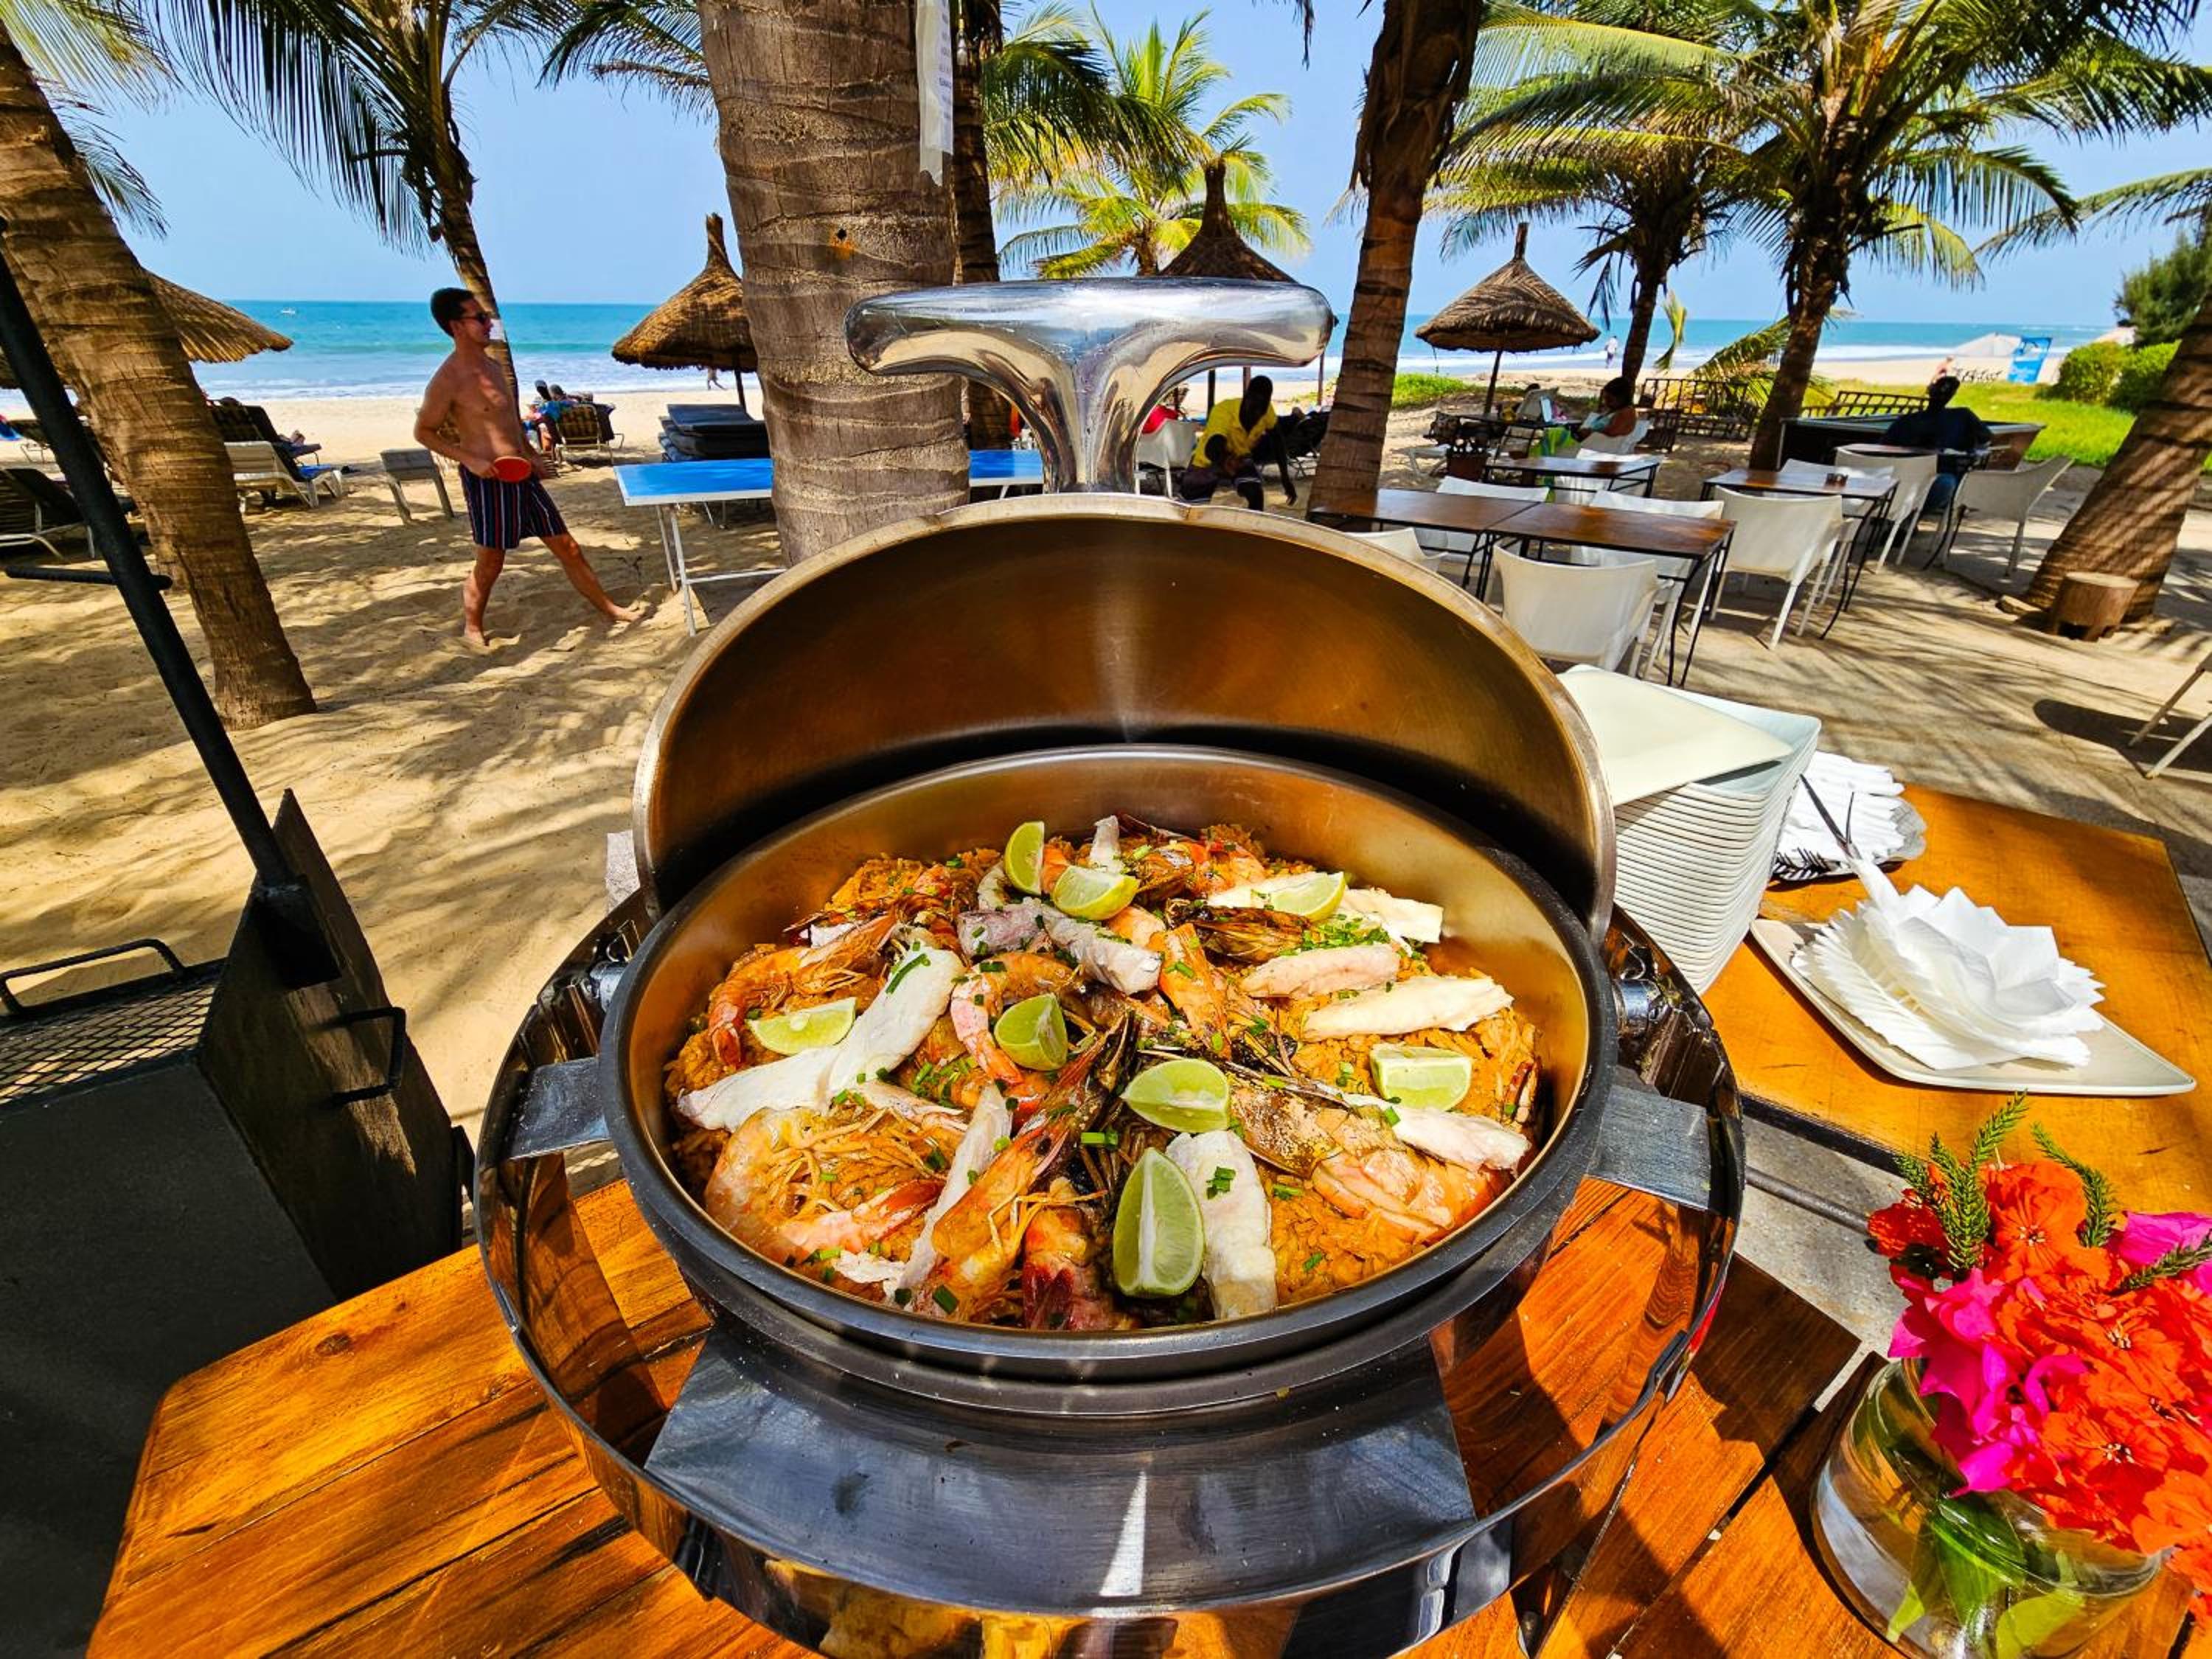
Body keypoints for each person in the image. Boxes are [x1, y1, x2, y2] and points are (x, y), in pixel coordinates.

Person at [413, 288, 645, 649]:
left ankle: (609, 608)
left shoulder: (493, 367)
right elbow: (423, 432)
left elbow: (508, 422)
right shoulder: (448, 379)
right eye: (480, 318)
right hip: (488, 480)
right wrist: (470, 459)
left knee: (568, 547)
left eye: (488, 317)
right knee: (491, 561)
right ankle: (472, 627)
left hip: (522, 474)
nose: (489, 324)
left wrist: (531, 454)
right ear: (456, 326)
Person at [1881, 375, 1992, 517]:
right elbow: (1985, 441)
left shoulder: (1907, 421)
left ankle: (1905, 519)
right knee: (1945, 484)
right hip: (1919, 477)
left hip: (1908, 477)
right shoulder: (1962, 416)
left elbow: (1883, 447)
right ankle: (1907, 519)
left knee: (1944, 484)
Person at [1180, 376, 1276, 507]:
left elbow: (1279, 441)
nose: (1257, 414)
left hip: (1240, 457)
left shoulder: (1267, 411)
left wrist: (1286, 479)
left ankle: (1253, 520)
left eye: (1262, 409)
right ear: (1246, 398)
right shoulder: (1223, 411)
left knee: (1256, 494)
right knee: (1190, 508)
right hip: (1207, 461)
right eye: (1254, 408)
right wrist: (1227, 462)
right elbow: (1212, 447)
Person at [1574, 377, 1648, 453]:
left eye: (1609, 399)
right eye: (1605, 399)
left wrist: (1590, 432)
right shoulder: (1616, 410)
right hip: (1590, 445)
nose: (1605, 402)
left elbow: (1612, 432)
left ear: (1622, 398)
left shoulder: (1626, 412)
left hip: (1597, 449)